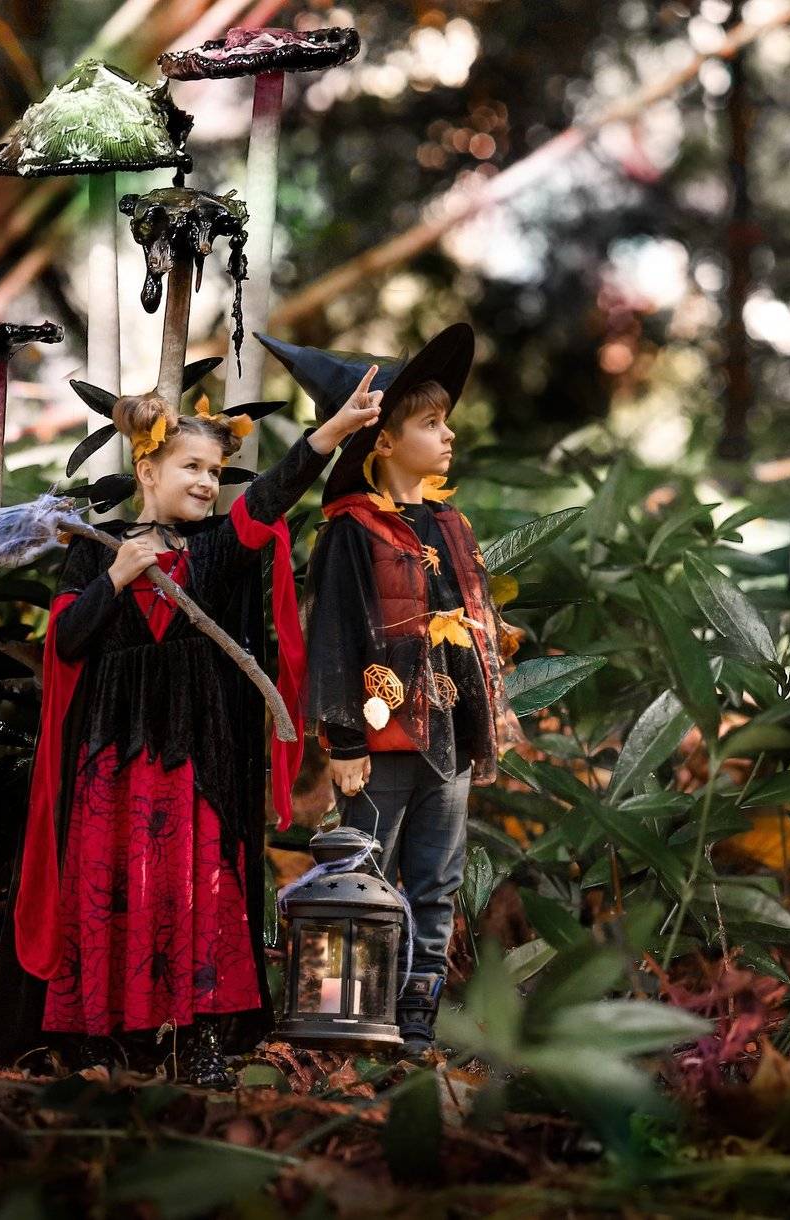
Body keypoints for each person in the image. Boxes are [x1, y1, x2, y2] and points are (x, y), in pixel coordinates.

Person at [0, 376, 381, 1084]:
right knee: (106, 884)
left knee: (202, 886)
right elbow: (66, 643)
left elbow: (270, 497)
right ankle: (97, 1035)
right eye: (191, 467)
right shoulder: (96, 547)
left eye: (215, 471)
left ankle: (199, 1037)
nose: (206, 482)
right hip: (110, 755)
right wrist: (115, 577)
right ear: (147, 471)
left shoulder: (217, 550)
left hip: (197, 757)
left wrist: (333, 431)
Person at [260, 323, 524, 1056]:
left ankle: (415, 1016)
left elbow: (471, 619)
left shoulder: (450, 523)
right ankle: (345, 1011)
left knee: (437, 879)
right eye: (430, 423)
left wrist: (488, 690)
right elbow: (336, 633)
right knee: (362, 873)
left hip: (450, 735)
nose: (448, 435)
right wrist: (345, 739)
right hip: (383, 738)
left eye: (445, 421)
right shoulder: (352, 531)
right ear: (382, 440)